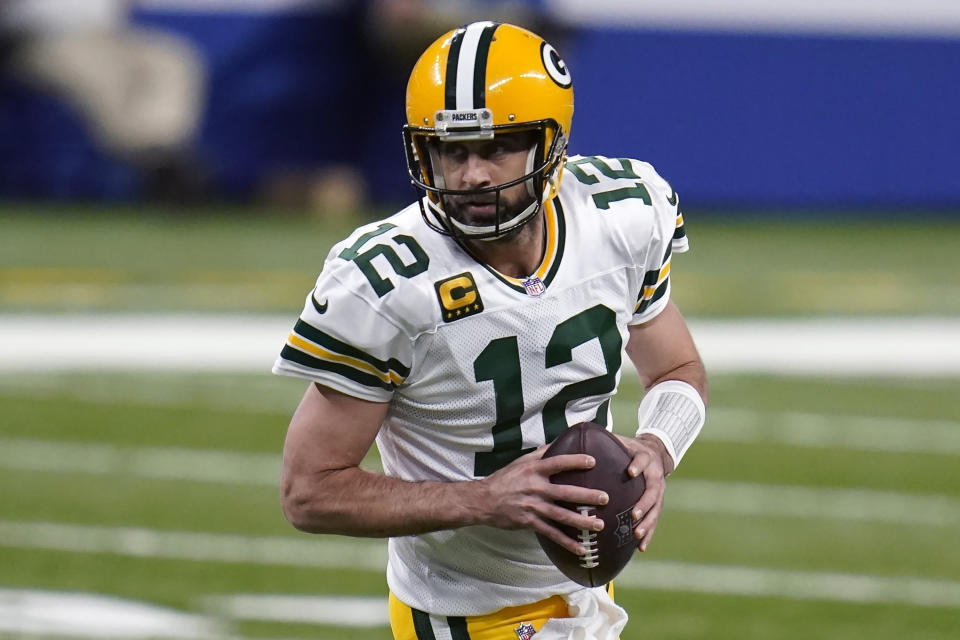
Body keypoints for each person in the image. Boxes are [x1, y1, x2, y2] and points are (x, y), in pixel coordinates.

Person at [273, 21, 707, 640]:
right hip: (465, 613)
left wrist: (659, 448)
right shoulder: (388, 281)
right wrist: (484, 499)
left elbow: (675, 369)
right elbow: (309, 491)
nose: (473, 174)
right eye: (453, 150)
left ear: (548, 146)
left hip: (585, 593)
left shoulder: (621, 219)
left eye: (496, 147)